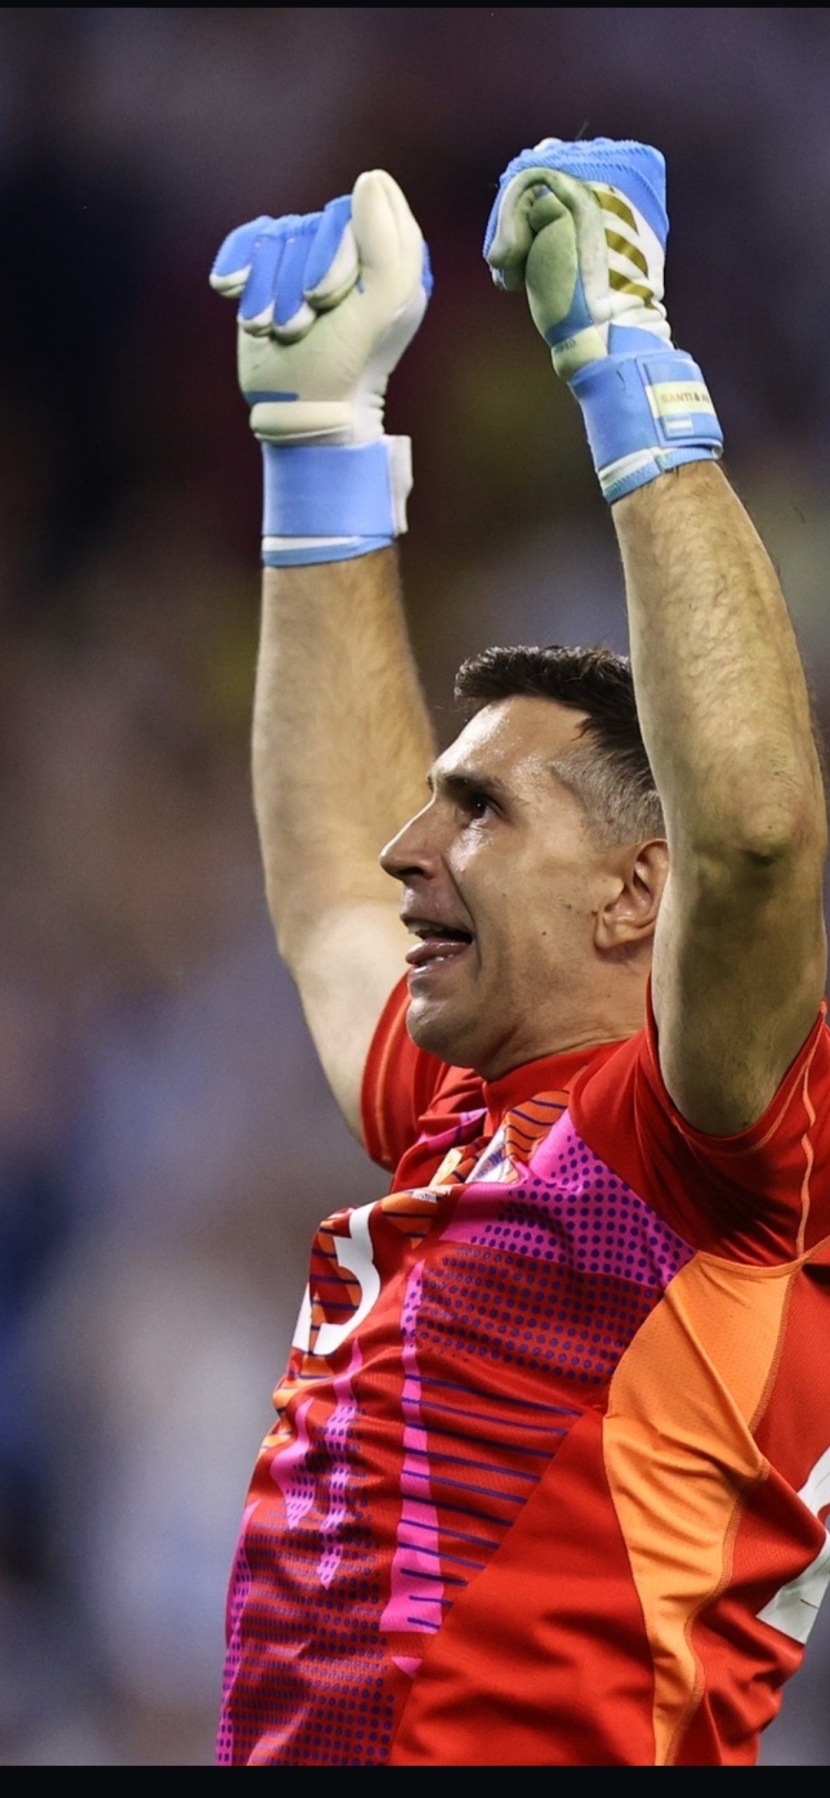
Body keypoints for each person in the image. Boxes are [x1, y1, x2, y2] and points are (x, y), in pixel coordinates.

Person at [208, 139, 830, 1767]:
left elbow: (758, 837)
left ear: (637, 894)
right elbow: (332, 905)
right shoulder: (468, 1122)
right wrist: (318, 440)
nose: (409, 847)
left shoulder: (695, 1158)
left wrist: (622, 349)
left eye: (478, 810)